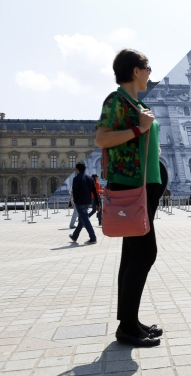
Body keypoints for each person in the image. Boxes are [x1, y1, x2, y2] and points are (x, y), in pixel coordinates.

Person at [96, 48, 163, 347]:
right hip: (131, 185)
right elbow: (103, 138)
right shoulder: (116, 100)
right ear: (135, 71)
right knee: (145, 254)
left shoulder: (137, 102)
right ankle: (126, 327)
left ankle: (130, 321)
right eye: (148, 67)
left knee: (133, 254)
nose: (150, 73)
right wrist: (139, 128)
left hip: (144, 185)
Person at [69, 162, 98, 244]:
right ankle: (74, 236)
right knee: (82, 219)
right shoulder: (90, 178)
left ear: (77, 169)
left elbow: (75, 192)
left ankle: (93, 237)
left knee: (85, 219)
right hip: (87, 201)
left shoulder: (76, 179)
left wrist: (75, 201)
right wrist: (97, 203)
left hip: (80, 202)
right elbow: (95, 192)